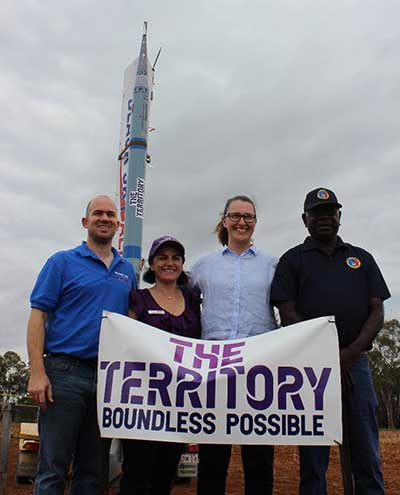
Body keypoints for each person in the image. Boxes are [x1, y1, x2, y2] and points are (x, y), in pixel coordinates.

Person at [270, 187, 390, 495]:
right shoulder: (291, 261)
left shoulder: (361, 259)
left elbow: (377, 312)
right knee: (313, 459)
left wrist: (348, 354)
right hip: (311, 371)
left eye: (330, 212)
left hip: (357, 367)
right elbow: (287, 312)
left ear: (339, 217)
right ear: (304, 219)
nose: (324, 218)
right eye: (316, 213)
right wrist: (326, 354)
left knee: (366, 450)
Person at [27, 195, 136, 495]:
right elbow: (38, 317)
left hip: (107, 379)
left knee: (93, 471)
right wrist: (37, 372)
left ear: (118, 223)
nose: (104, 218)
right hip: (63, 374)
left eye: (110, 214)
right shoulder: (61, 262)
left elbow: (131, 323)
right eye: (97, 213)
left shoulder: (127, 271)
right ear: (85, 221)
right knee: (52, 468)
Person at [190, 195, 277, 495]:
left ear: (255, 223)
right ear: (224, 220)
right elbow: (178, 298)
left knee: (259, 461)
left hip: (260, 370)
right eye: (236, 216)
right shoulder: (203, 266)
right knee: (213, 461)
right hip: (215, 370)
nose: (242, 222)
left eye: (248, 217)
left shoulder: (272, 265)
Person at [119, 235, 201, 495]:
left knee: (165, 476)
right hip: (141, 405)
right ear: (151, 264)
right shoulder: (138, 299)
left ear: (182, 264)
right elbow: (124, 342)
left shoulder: (193, 300)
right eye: (162, 257)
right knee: (136, 476)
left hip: (178, 405)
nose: (169, 263)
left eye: (175, 258)